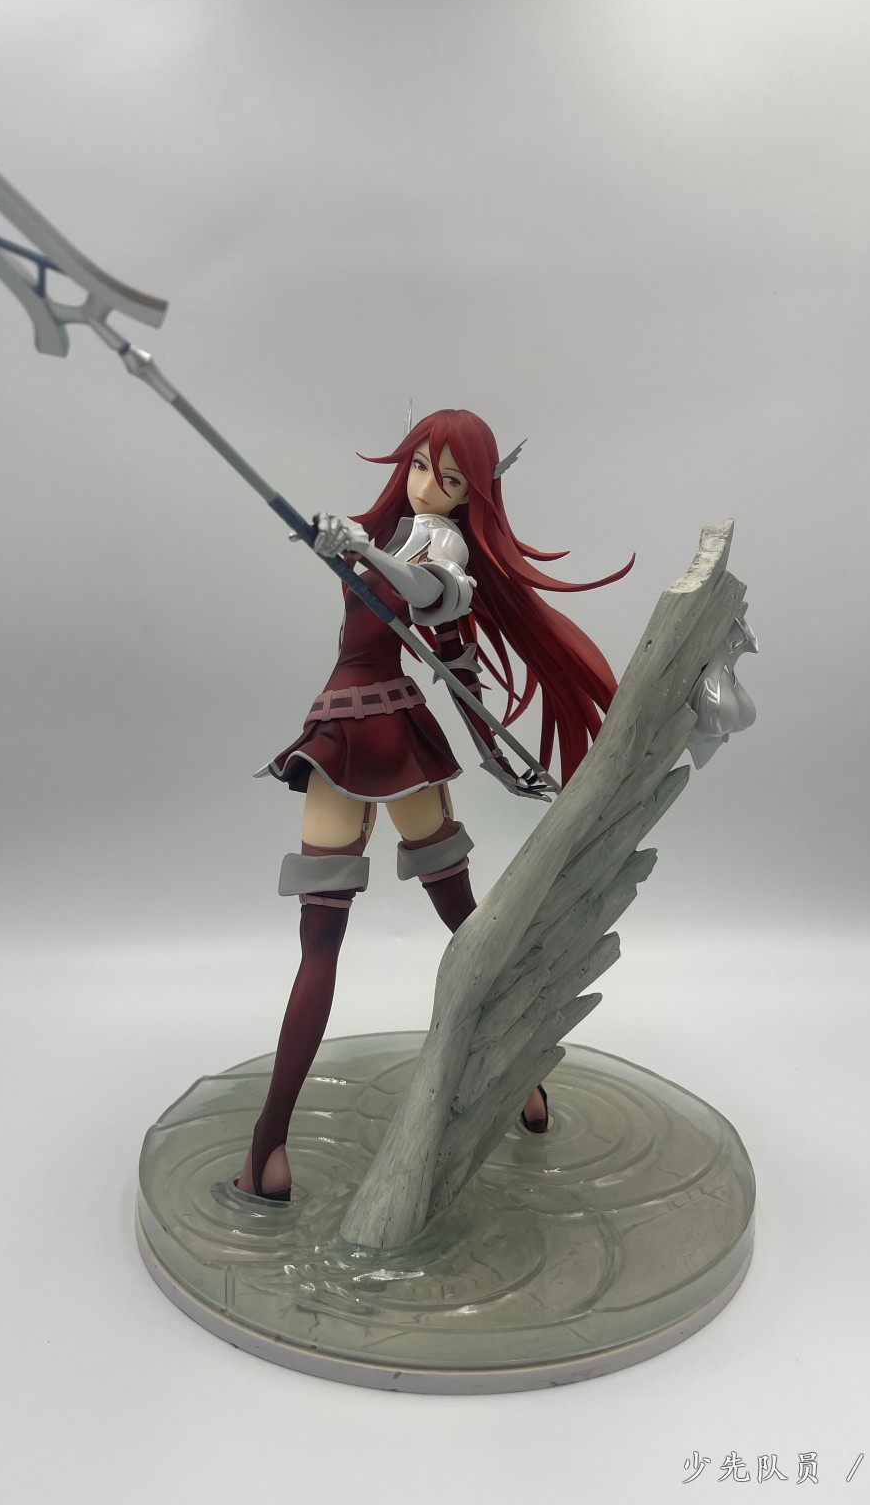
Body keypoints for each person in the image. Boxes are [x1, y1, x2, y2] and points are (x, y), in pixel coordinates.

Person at [236, 409, 633, 1200]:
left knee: (462, 925)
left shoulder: (443, 548)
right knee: (334, 941)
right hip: (353, 732)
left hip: (377, 737)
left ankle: (272, 1151)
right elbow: (458, 670)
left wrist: (363, 550)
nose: (427, 486)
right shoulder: (385, 532)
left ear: (470, 496)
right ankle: (269, 1146)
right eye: (420, 466)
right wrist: (346, 541)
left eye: (449, 479)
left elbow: (429, 597)